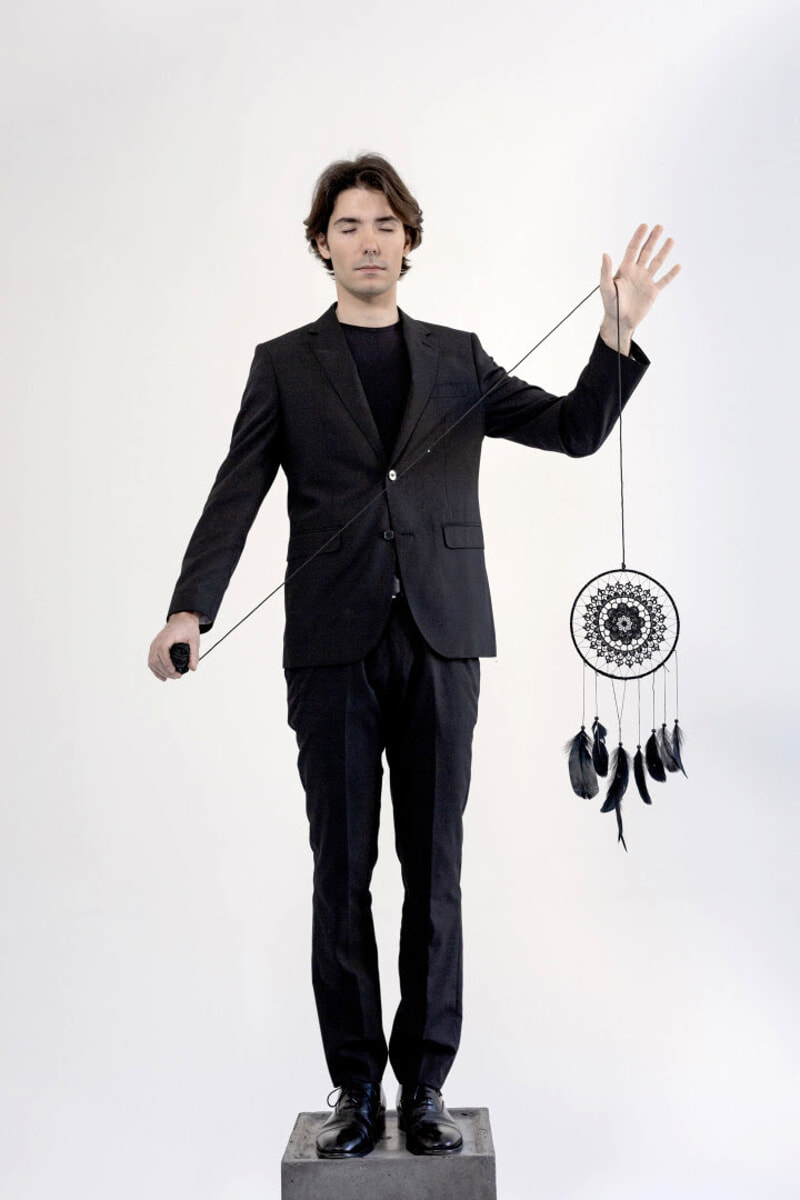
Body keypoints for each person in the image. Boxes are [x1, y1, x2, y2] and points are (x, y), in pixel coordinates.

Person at [147, 154, 680, 1160]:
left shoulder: (457, 357)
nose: (368, 241)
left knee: (435, 872)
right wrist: (189, 609)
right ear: (321, 244)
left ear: (408, 241)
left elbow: (572, 431)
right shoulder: (284, 364)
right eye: (348, 225)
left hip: (443, 639)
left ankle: (426, 1086)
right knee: (341, 871)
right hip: (331, 649)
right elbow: (236, 492)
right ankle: (355, 1089)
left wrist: (616, 334)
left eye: (385, 225)